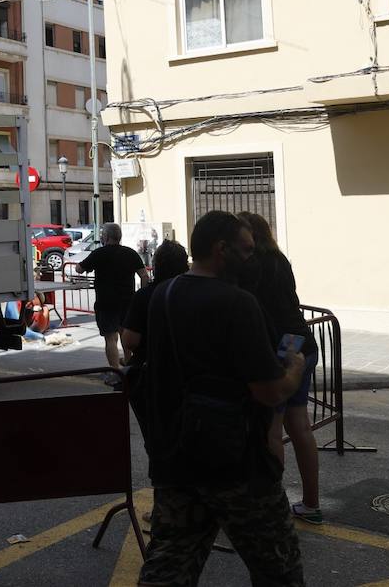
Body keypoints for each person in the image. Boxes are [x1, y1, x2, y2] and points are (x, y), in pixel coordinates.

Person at [139, 211, 307, 586]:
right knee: (278, 568)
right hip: (236, 465)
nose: (252, 258)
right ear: (221, 249)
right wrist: (294, 369)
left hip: (177, 459)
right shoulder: (238, 304)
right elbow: (269, 391)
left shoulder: (162, 295)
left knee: (169, 568)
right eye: (246, 250)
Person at [236, 212, 324, 525]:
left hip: (281, 345)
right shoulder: (280, 259)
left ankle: (274, 506)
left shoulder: (252, 266)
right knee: (299, 426)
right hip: (302, 341)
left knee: (273, 428)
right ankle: (311, 503)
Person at [77, 222, 151, 369]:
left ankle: (115, 371)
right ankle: (130, 366)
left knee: (111, 338)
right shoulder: (130, 253)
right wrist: (141, 295)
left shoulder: (99, 253)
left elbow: (79, 269)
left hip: (106, 302)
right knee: (126, 334)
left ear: (106, 237)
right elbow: (144, 276)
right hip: (127, 301)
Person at [121, 238, 189, 366]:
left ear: (156, 265)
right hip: (187, 368)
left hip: (152, 366)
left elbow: (130, 341)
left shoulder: (144, 296)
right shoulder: (194, 293)